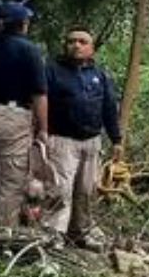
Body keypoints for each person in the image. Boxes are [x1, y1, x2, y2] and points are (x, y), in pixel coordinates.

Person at [0, 1, 48, 226]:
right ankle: (4, 230)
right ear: (22, 24)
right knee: (12, 179)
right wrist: (43, 129)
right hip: (13, 118)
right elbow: (39, 94)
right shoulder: (30, 51)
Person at [43, 26, 122, 246]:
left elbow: (108, 108)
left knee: (86, 190)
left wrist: (117, 139)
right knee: (60, 188)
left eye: (82, 41)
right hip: (61, 139)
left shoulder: (100, 75)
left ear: (92, 48)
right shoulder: (52, 70)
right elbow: (40, 102)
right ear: (65, 46)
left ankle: (80, 233)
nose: (76, 45)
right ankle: (53, 234)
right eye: (71, 41)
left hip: (91, 141)